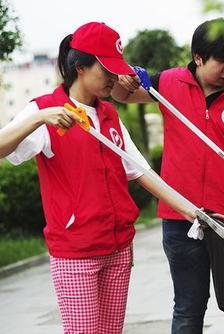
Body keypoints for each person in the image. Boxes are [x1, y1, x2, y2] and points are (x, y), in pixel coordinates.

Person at [0, 22, 197, 334]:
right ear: (80, 67)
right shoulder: (46, 110)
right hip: (76, 253)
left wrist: (193, 212)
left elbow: (140, 170)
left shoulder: (108, 114)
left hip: (118, 248)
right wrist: (38, 119)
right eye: (106, 71)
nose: (114, 79)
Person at [111, 18, 224, 334]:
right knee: (187, 309)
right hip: (180, 219)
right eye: (220, 61)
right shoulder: (169, 84)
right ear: (198, 58)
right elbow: (124, 96)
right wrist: (122, 81)